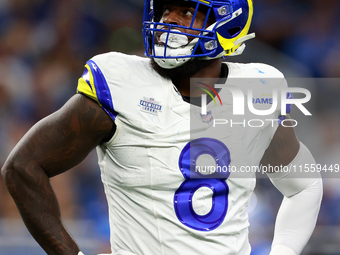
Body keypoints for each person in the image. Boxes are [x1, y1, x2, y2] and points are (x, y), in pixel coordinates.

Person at [1, 0, 323, 255]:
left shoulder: (258, 90)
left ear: (228, 22)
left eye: (186, 11)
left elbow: (305, 186)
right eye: (165, 8)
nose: (169, 19)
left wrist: (283, 250)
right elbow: (23, 167)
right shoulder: (120, 82)